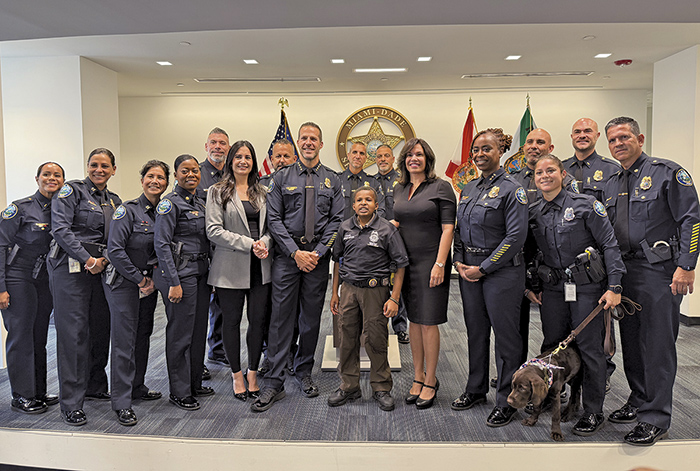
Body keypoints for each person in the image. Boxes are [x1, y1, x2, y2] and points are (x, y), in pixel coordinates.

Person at [603, 116, 700, 446]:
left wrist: (686, 265)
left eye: (624, 137)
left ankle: (656, 417)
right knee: (631, 342)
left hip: (659, 272)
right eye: (613, 139)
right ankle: (639, 398)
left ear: (640, 139)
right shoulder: (612, 182)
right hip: (625, 273)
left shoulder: (667, 173)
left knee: (657, 345)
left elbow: (692, 220)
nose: (618, 143)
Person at [529, 154, 625, 436]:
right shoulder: (533, 211)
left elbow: (609, 245)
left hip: (586, 288)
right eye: (539, 172)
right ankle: (554, 398)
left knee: (590, 349)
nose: (544, 176)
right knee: (553, 345)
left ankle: (593, 411)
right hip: (554, 289)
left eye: (550, 170)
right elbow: (529, 251)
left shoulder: (585, 205)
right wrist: (530, 285)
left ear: (563, 174)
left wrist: (615, 286)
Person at [252, 122, 343, 412]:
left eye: (313, 138)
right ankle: (274, 381)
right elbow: (274, 220)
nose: (308, 142)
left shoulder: (332, 180)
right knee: (280, 319)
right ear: (297, 144)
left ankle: (304, 372)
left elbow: (337, 221)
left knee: (310, 319)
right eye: (304, 138)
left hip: (317, 258)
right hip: (287, 258)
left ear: (321, 144)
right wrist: (295, 253)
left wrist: (317, 252)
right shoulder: (280, 178)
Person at [451, 128, 527, 426]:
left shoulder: (512, 189)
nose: (480, 154)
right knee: (476, 331)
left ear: (500, 152)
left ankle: (507, 400)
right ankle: (475, 388)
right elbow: (459, 229)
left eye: (487, 149)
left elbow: (515, 237)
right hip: (469, 270)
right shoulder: (469, 187)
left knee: (506, 338)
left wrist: (483, 268)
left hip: (502, 272)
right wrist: (458, 261)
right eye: (476, 149)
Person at [49, 148, 121, 426]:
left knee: (100, 329)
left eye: (105, 166)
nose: (99, 170)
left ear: (113, 169)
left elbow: (117, 236)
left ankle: (94, 385)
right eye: (94, 165)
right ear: (87, 166)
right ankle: (71, 403)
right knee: (74, 334)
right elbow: (61, 230)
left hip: (101, 270)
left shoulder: (114, 200)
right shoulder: (72, 191)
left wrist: (104, 260)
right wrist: (88, 260)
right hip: (71, 270)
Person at [328, 186, 408, 411]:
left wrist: (394, 298)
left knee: (375, 338)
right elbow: (337, 261)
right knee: (347, 337)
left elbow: (401, 264)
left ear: (376, 205)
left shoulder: (386, 229)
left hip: (375, 291)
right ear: (353, 205)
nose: (364, 203)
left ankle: (381, 386)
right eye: (359, 200)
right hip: (348, 290)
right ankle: (349, 386)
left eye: (369, 200)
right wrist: (334, 293)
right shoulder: (345, 228)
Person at [104, 160, 169, 426]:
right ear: (142, 180)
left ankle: (136, 386)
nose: (155, 181)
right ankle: (121, 402)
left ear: (167, 183)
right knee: (124, 342)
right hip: (124, 282)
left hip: (148, 283)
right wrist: (139, 279)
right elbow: (115, 250)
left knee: (142, 335)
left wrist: (149, 280)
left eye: (161, 177)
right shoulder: (127, 211)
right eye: (150, 176)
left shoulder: (164, 211)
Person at [392, 138, 456, 410]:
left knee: (429, 321)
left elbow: (448, 228)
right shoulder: (399, 188)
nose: (413, 159)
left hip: (432, 262)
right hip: (406, 263)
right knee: (414, 321)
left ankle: (431, 380)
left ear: (427, 158)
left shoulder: (441, 187)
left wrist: (440, 264)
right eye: (409, 155)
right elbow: (397, 222)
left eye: (418, 154)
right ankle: (418, 376)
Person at [206, 141, 272, 401]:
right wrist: (249, 244)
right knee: (231, 322)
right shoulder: (217, 191)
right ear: (230, 161)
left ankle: (252, 372)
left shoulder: (263, 191)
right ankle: (236, 375)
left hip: (260, 267)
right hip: (230, 267)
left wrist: (264, 243)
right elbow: (213, 230)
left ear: (253, 162)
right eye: (238, 157)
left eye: (248, 157)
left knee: (258, 322)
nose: (243, 161)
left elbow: (272, 227)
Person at [562, 118, 621, 391]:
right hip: (566, 257)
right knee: (569, 323)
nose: (582, 135)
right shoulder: (561, 168)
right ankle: (571, 377)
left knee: (600, 323)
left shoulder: (612, 169)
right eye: (577, 131)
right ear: (571, 136)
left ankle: (601, 376)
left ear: (597, 136)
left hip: (598, 259)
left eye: (587, 131)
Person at [0, 162, 64, 414]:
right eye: (46, 174)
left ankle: (37, 390)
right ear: (37, 178)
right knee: (21, 337)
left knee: (39, 336)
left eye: (57, 175)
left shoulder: (61, 209)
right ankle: (21, 395)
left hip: (43, 279)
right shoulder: (20, 208)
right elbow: (0, 246)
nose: (51, 178)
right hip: (18, 277)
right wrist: (1, 287)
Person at [154, 154, 214, 411]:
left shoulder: (201, 202)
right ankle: (179, 391)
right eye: (185, 171)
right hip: (182, 275)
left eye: (195, 171)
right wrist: (173, 281)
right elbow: (161, 244)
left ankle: (194, 382)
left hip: (202, 273)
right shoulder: (169, 204)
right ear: (176, 175)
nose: (191, 175)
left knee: (198, 331)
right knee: (180, 334)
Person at [259, 138, 299, 376]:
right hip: (266, 256)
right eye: (278, 156)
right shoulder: (261, 184)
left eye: (286, 156)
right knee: (267, 310)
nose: (282, 160)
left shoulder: (301, 181)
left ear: (294, 158)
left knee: (291, 309)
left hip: (288, 254)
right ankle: (269, 354)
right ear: (271, 159)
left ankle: (290, 352)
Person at [373, 144, 409, 344]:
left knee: (398, 283)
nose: (383, 159)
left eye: (386, 155)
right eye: (379, 156)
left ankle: (400, 327)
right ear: (375, 159)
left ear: (393, 158)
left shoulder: (403, 181)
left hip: (398, 238)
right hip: (376, 240)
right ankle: (378, 327)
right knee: (378, 284)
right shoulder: (370, 182)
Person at [202, 128, 231, 372]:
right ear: (206, 146)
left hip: (226, 249)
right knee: (200, 308)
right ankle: (197, 360)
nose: (218, 147)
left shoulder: (231, 175)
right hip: (203, 249)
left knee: (222, 304)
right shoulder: (196, 173)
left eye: (222, 143)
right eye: (214, 142)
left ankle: (218, 349)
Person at [338, 142, 385, 220]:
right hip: (340, 226)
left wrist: (368, 225)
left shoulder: (373, 183)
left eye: (361, 153)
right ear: (348, 156)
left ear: (365, 158)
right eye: (354, 152)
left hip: (367, 227)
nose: (358, 156)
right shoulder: (337, 180)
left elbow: (381, 210)